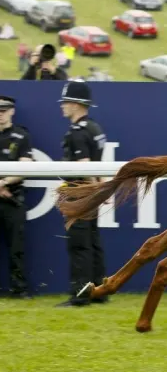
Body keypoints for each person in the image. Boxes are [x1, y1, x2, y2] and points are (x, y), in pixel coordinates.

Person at [57, 81, 108, 307]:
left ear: (76, 104)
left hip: (80, 195)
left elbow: (85, 167)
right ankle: (99, 291)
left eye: (65, 102)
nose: (62, 106)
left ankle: (80, 296)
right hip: (92, 194)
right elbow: (97, 167)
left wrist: (93, 191)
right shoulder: (95, 128)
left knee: (79, 246)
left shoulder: (77, 132)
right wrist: (100, 190)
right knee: (93, 243)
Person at [0, 96, 33, 298]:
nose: (0, 114)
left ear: (12, 111)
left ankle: (19, 289)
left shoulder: (21, 135)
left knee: (16, 247)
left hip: (12, 198)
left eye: (4, 110)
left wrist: (3, 183)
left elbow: (25, 167)